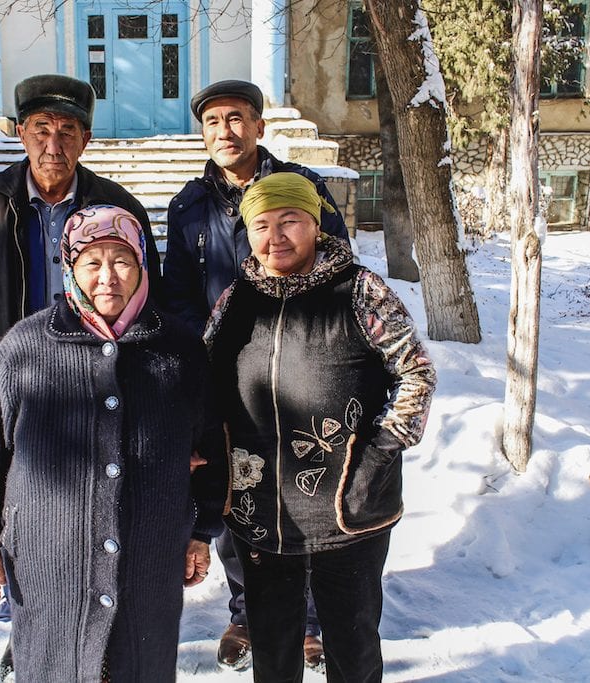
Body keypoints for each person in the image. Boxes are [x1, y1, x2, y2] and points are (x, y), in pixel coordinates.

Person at [0, 74, 162, 678]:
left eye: (67, 131)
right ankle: (33, 626)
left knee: (87, 509)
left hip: (97, 382)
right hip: (14, 390)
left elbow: (149, 306)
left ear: (86, 139)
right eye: (40, 130)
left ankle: (92, 625)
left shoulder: (118, 208)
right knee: (20, 510)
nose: (53, 144)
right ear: (19, 133)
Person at [0, 205, 225, 682]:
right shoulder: (26, 347)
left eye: (121, 260)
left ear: (142, 266)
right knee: (52, 665)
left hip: (150, 553)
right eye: (92, 262)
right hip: (47, 556)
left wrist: (202, 531)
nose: (108, 277)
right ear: (70, 268)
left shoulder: (180, 347)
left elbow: (213, 447)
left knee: (139, 663)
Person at [205, 173, 437, 682]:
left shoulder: (358, 289)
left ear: (315, 223)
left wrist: (379, 454)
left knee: (351, 644)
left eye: (290, 221)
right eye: (261, 225)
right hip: (259, 506)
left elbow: (415, 372)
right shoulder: (235, 299)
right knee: (271, 645)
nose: (276, 237)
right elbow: (206, 381)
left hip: (349, 505)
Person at [162, 79, 348, 671]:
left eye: (237, 118)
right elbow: (177, 294)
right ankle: (248, 612)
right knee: (238, 497)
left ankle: (311, 622)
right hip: (228, 376)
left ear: (259, 127)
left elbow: (338, 261)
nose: (226, 131)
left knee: (305, 489)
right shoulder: (188, 206)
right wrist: (209, 345)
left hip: (302, 365)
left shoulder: (301, 187)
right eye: (213, 121)